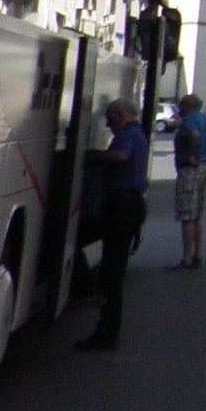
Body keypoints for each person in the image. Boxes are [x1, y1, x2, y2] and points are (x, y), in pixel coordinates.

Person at [77, 99, 148, 352]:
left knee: (112, 272)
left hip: (121, 207)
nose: (109, 126)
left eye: (110, 120)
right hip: (129, 206)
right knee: (112, 269)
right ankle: (104, 324)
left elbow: (121, 155)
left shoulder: (128, 134)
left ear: (121, 116)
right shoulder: (138, 133)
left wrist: (97, 156)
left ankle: (106, 331)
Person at [171, 93, 206, 270]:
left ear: (188, 106)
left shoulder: (189, 121)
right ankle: (197, 255)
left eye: (181, 105)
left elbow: (194, 135)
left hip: (189, 170)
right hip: (204, 167)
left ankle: (187, 258)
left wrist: (192, 155)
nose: (179, 108)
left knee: (187, 216)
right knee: (197, 214)